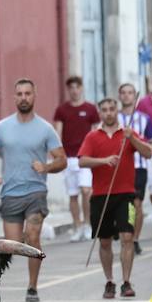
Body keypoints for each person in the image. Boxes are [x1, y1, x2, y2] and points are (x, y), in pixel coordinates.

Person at [0, 78, 65, 302]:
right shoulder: (2, 127)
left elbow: (62, 160)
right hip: (10, 193)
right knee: (12, 245)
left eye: (27, 93)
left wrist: (46, 167)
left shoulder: (45, 129)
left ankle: (32, 286)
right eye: (19, 94)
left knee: (32, 236)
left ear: (34, 96)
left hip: (35, 192)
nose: (23, 98)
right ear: (14, 97)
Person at [78, 97, 152, 299]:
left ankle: (126, 281)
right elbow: (82, 161)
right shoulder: (93, 136)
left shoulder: (128, 132)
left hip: (126, 195)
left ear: (117, 111)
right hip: (101, 196)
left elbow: (148, 153)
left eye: (112, 109)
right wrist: (104, 161)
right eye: (105, 110)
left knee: (127, 237)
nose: (109, 113)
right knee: (105, 241)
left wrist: (132, 139)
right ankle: (109, 280)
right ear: (100, 113)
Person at [51, 76, 101, 242]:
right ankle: (77, 226)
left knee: (86, 191)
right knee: (73, 195)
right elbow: (57, 133)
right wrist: (58, 154)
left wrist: (96, 153)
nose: (74, 91)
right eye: (71, 88)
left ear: (81, 88)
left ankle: (87, 225)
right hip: (68, 158)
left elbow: (96, 132)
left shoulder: (90, 109)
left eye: (77, 87)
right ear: (68, 90)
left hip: (85, 157)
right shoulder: (62, 110)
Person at [117, 83, 152, 253]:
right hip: (118, 167)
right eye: (123, 92)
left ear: (134, 96)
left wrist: (145, 147)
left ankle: (135, 238)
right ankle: (123, 232)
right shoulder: (114, 118)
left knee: (136, 205)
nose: (126, 96)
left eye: (130, 92)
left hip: (139, 167)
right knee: (121, 205)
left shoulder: (144, 118)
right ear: (119, 96)